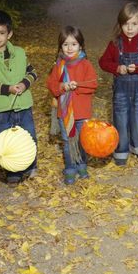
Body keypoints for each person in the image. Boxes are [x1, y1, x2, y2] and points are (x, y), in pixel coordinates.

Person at [0, 10, 38, 184]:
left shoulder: (20, 53)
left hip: (23, 104)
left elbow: (32, 72)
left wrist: (24, 84)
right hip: (1, 109)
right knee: (5, 141)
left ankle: (31, 166)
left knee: (29, 136)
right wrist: (8, 88)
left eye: (2, 33)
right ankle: (13, 173)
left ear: (9, 34)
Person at [99, 2, 138, 165]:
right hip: (121, 90)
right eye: (126, 24)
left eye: (134, 24)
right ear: (120, 24)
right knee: (121, 118)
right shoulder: (115, 42)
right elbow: (103, 62)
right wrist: (117, 67)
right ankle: (121, 151)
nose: (130, 28)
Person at [47, 25, 98, 184]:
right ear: (60, 46)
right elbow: (51, 83)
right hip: (65, 113)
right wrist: (62, 86)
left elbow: (93, 84)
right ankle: (70, 168)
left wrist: (78, 86)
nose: (69, 48)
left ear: (80, 45)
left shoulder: (85, 64)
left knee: (82, 141)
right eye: (65, 44)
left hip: (82, 112)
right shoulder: (59, 65)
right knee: (68, 143)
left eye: (74, 44)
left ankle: (82, 165)